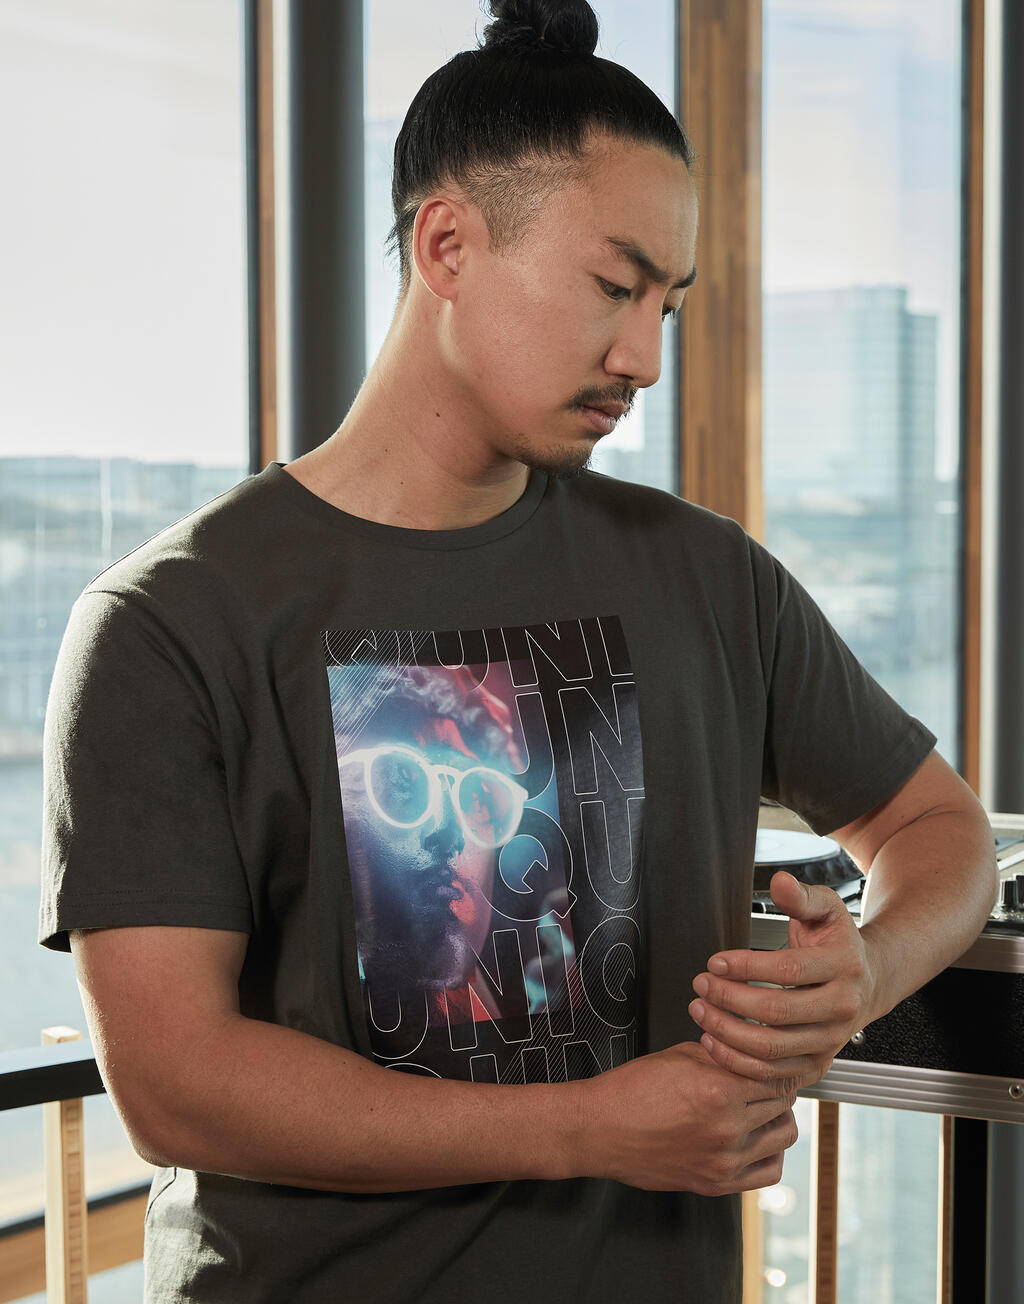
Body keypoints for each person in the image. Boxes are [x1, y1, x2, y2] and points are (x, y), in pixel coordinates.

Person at [39, 1, 997, 1300]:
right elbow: (174, 1086)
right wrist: (593, 1128)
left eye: (667, 303)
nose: (642, 356)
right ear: (448, 244)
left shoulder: (710, 579)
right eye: (614, 285)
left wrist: (865, 969)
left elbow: (938, 828)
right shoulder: (167, 623)